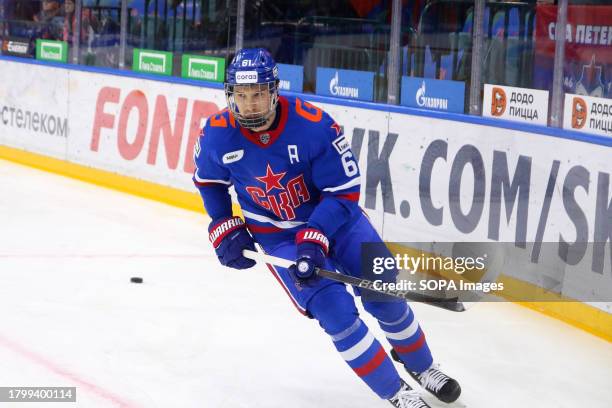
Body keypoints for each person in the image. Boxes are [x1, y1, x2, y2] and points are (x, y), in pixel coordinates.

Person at [193, 48, 461, 408]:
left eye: (258, 94)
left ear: (274, 91)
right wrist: (223, 222)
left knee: (385, 293)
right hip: (280, 238)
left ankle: (422, 366)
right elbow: (209, 181)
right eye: (241, 96)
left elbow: (343, 191)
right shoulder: (216, 134)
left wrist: (316, 234)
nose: (250, 105)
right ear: (230, 96)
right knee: (336, 315)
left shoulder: (314, 125)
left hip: (340, 223)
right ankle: (396, 392)